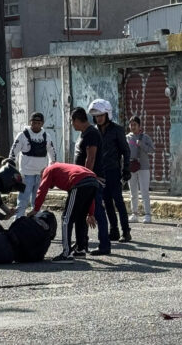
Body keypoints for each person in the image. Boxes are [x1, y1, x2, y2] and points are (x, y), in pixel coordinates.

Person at [27, 163, 99, 263]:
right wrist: (90, 213)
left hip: (79, 182)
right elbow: (90, 199)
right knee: (81, 218)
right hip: (93, 181)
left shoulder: (48, 170)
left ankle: (66, 254)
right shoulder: (62, 169)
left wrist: (36, 209)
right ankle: (80, 250)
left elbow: (42, 189)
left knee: (66, 218)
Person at [88, 99, 132, 242]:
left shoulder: (117, 130)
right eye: (96, 116)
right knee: (107, 203)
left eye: (101, 115)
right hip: (100, 174)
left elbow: (126, 150)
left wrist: (126, 169)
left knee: (118, 201)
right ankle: (114, 231)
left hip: (114, 171)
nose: (98, 118)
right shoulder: (93, 131)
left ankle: (126, 231)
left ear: (107, 114)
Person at [71, 107, 111, 256]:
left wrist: (86, 177)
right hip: (86, 179)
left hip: (93, 179)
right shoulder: (85, 133)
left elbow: (91, 157)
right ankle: (82, 243)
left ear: (77, 120)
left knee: (98, 212)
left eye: (72, 122)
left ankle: (104, 245)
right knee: (81, 212)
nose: (72, 125)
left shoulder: (91, 133)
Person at [8, 112, 57, 218]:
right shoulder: (22, 135)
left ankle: (36, 224)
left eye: (38, 123)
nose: (36, 125)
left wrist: (51, 169)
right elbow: (13, 152)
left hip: (41, 175)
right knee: (22, 201)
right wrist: (11, 168)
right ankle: (18, 223)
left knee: (38, 202)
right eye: (34, 123)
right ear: (30, 122)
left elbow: (52, 153)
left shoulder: (46, 136)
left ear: (42, 123)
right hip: (26, 175)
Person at [126, 116, 156, 223]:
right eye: (131, 124)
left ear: (139, 126)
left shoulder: (145, 137)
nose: (132, 127)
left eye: (135, 124)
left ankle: (147, 215)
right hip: (131, 167)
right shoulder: (127, 138)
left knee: (144, 191)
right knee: (133, 192)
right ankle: (134, 214)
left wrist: (141, 144)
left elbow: (152, 150)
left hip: (143, 167)